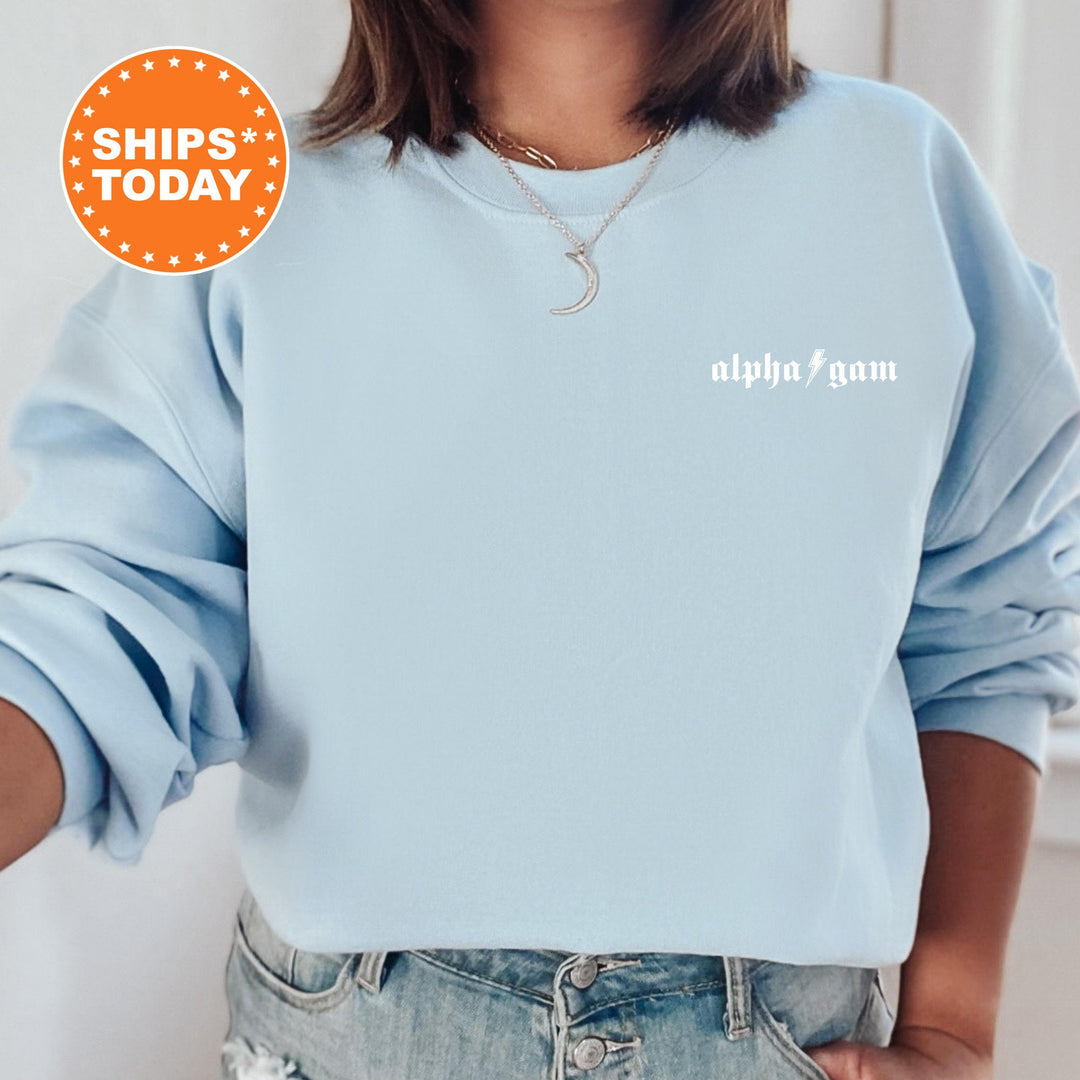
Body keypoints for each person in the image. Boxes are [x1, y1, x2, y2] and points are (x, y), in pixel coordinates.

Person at [1, 1, 1077, 1078]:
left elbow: (987, 620)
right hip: (354, 1036)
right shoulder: (247, 208)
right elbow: (98, 618)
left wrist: (954, 1026)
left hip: (781, 1044)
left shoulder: (893, 182)